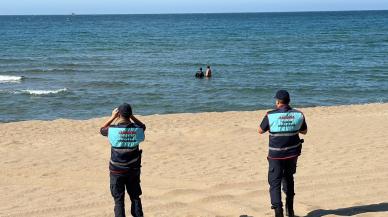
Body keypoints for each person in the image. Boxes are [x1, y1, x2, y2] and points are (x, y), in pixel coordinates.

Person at [258, 90, 308, 217]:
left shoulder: (270, 115)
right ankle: (290, 211)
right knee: (289, 178)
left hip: (276, 155)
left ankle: (278, 213)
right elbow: (304, 131)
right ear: (289, 101)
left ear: (277, 101)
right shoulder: (299, 114)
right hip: (292, 154)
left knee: (275, 182)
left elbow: (260, 130)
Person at [100, 103, 146, 217]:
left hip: (116, 171)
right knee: (135, 198)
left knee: (119, 200)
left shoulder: (113, 130)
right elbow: (143, 126)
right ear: (129, 115)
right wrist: (132, 117)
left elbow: (101, 129)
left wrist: (112, 117)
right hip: (133, 170)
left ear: (119, 114)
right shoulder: (137, 130)